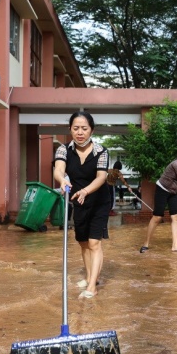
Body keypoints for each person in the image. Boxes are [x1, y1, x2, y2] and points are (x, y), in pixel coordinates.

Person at [53, 111, 111, 299]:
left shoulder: (101, 151)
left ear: (91, 130)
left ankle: (92, 286)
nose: (80, 132)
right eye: (76, 128)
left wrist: (86, 190)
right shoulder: (63, 150)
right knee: (83, 242)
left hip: (99, 201)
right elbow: (59, 170)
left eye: (84, 128)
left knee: (94, 243)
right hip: (77, 200)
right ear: (70, 129)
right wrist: (62, 181)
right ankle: (89, 277)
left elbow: (102, 177)